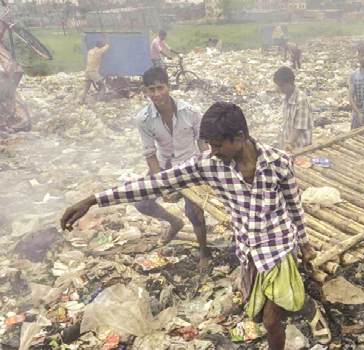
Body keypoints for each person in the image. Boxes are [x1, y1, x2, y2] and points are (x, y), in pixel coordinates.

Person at [61, 102, 332, 349]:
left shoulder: (279, 163)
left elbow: (294, 206)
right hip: (249, 250)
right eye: (209, 145)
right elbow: (155, 183)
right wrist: (94, 199)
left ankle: (302, 320)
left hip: (279, 247)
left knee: (272, 323)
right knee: (262, 313)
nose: (211, 151)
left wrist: (305, 245)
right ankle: (310, 310)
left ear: (238, 138)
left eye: (216, 145)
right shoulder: (208, 165)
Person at [135, 66, 210, 269]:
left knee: (195, 212)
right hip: (163, 165)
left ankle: (204, 252)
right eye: (152, 89)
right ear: (146, 91)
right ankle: (174, 222)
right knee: (142, 203)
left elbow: (202, 142)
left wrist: (203, 174)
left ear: (169, 86)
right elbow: (149, 153)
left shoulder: (190, 112)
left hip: (190, 166)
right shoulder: (143, 119)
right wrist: (161, 182)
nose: (157, 94)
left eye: (160, 88)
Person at [274, 66, 313, 153]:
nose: (279, 89)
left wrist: (288, 141)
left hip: (300, 148)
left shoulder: (301, 100)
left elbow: (299, 127)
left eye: (281, 85)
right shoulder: (287, 98)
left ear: (290, 82)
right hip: (288, 147)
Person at [80, 36, 109, 105]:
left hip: (87, 72)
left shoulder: (90, 51)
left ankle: (82, 100)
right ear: (100, 47)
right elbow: (107, 47)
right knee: (102, 87)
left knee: (86, 88)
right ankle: (99, 100)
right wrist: (108, 38)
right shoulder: (98, 51)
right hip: (93, 72)